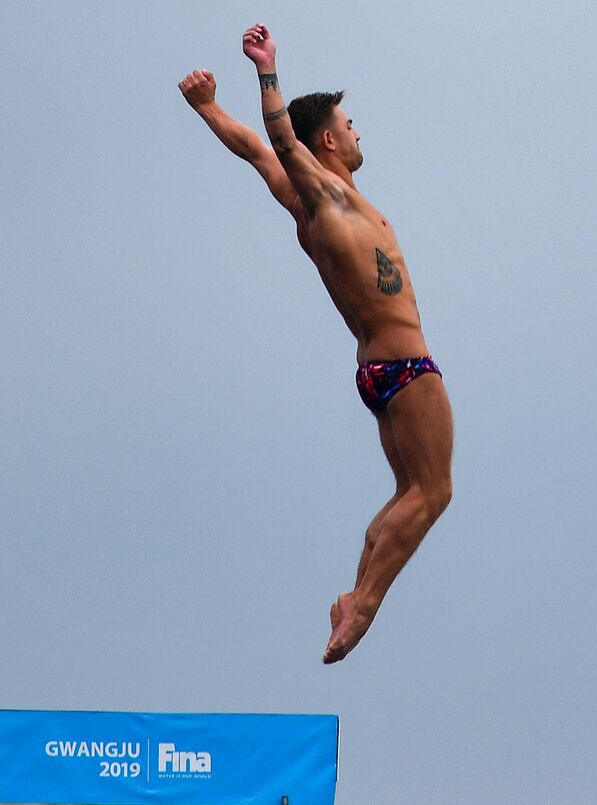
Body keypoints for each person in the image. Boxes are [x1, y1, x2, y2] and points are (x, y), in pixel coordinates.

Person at [178, 23, 454, 664]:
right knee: (434, 491)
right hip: (405, 365)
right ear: (327, 139)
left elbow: (253, 150)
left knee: (407, 491)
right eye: (350, 123)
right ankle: (364, 606)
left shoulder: (314, 203)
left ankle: (355, 592)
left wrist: (206, 107)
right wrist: (266, 68)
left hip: (377, 371)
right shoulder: (324, 195)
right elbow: (274, 137)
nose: (360, 132)